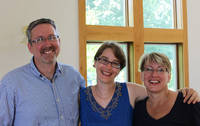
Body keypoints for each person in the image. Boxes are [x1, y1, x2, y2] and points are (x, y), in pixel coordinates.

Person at [79, 42, 200, 126]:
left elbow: (159, 91)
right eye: (104, 60)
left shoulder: (130, 91)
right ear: (95, 62)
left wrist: (186, 92)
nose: (108, 67)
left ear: (120, 69)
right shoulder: (80, 96)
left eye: (115, 63)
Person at [0, 18, 85, 126]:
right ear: (30, 47)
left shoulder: (74, 77)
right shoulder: (11, 83)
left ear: (59, 41)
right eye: (40, 39)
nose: (47, 43)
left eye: (51, 37)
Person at [133, 52, 200, 126]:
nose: (154, 74)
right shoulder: (137, 108)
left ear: (169, 76)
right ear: (141, 75)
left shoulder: (188, 102)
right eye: (149, 69)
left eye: (161, 70)